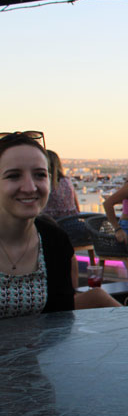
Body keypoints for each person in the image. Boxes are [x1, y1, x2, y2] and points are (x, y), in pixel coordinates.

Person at [0, 131, 74, 317]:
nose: (30, 187)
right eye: (14, 176)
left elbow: (61, 321)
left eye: (40, 175)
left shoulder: (55, 241)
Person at [42, 149, 80, 219]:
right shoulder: (67, 181)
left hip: (51, 223)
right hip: (73, 221)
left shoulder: (46, 183)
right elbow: (77, 207)